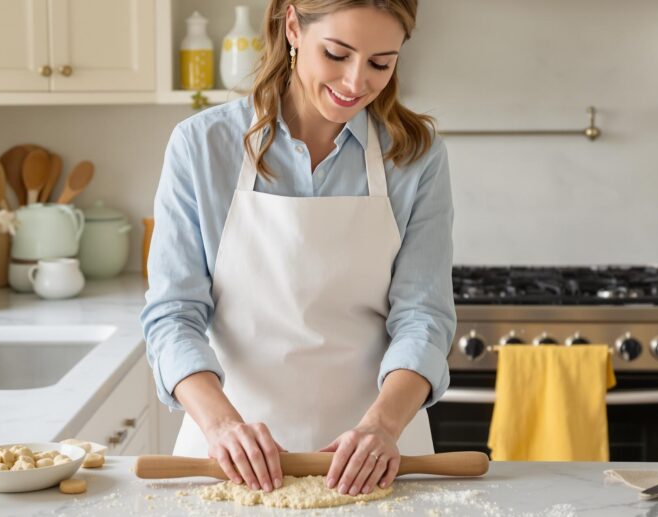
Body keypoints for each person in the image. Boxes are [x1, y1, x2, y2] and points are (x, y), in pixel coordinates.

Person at [140, 0, 455, 498]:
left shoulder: (415, 156)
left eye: (381, 63)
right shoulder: (203, 146)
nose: (355, 83)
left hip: (376, 462)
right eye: (336, 54)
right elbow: (173, 314)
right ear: (292, 27)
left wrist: (382, 427)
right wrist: (221, 426)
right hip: (228, 459)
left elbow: (424, 317)